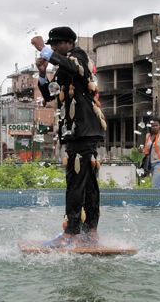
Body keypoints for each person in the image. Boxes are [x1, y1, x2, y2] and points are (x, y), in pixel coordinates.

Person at [31, 26, 105, 248]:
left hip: (83, 130)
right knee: (88, 182)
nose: (54, 47)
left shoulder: (78, 57)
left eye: (57, 44)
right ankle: (90, 230)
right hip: (78, 131)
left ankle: (71, 232)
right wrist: (43, 73)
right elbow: (50, 94)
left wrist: (43, 49)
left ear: (70, 43)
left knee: (75, 181)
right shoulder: (64, 66)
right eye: (51, 44)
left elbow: (74, 66)